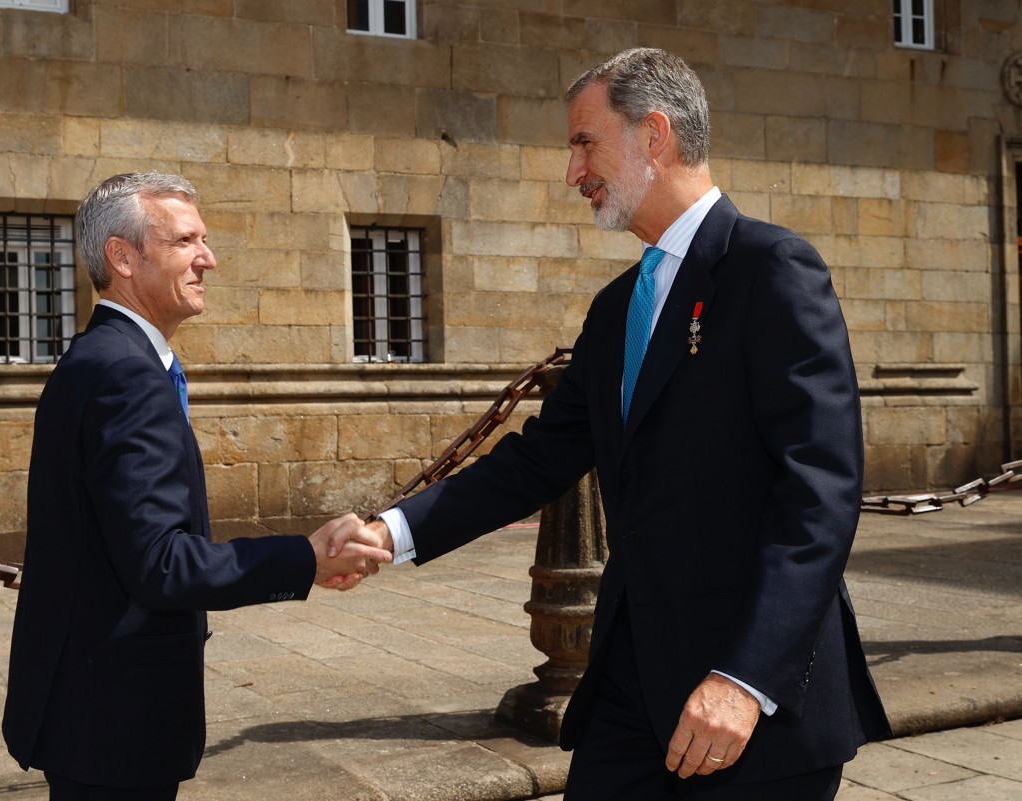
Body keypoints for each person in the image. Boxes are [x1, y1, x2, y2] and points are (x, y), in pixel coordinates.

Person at [329, 48, 891, 800]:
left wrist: (743, 678)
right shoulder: (615, 307)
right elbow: (534, 462)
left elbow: (819, 493)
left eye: (583, 143)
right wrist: (390, 532)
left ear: (652, 135)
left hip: (752, 703)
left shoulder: (770, 269)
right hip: (630, 689)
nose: (572, 172)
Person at [2, 172, 391, 800]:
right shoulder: (126, 373)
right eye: (185, 241)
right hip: (116, 716)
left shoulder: (107, 357)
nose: (207, 258)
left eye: (203, 239)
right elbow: (158, 562)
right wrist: (305, 557)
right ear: (123, 257)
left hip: (91, 708)